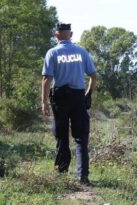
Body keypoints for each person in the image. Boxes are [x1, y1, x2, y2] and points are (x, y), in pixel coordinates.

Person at [41, 23, 97, 184]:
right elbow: (94, 76)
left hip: (60, 98)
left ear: (56, 35)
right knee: (80, 137)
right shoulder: (81, 52)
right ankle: (83, 176)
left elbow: (47, 79)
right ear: (70, 34)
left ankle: (61, 173)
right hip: (78, 97)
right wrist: (88, 93)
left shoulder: (52, 53)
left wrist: (44, 102)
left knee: (61, 135)